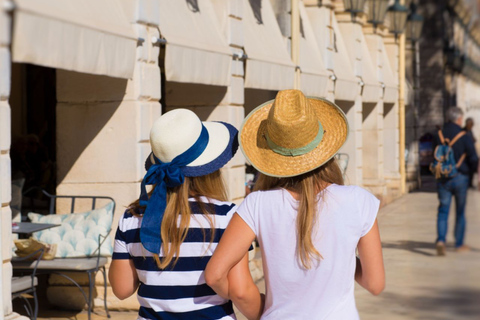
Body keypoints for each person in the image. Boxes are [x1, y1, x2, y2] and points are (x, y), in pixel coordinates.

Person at [205, 90, 385, 319]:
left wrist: (262, 312)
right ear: (324, 146)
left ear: (272, 153)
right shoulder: (359, 201)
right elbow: (374, 283)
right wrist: (342, 256)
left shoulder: (256, 204)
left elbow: (215, 275)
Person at [108, 109, 263, 320]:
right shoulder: (227, 217)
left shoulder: (131, 219)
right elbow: (240, 290)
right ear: (211, 169)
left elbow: (122, 288)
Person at [433, 107, 478, 255]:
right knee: (460, 212)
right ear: (459, 119)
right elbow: (473, 157)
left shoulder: (438, 134)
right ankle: (458, 244)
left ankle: (441, 240)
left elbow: (435, 155)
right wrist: (473, 175)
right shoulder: (464, 135)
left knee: (443, 210)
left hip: (443, 177)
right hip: (460, 177)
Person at [463, 117, 477, 188]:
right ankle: (467, 183)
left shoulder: (470, 131)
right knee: (467, 170)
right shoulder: (464, 131)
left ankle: (470, 183)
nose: (471, 125)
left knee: (472, 170)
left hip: (471, 154)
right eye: (471, 124)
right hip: (466, 154)